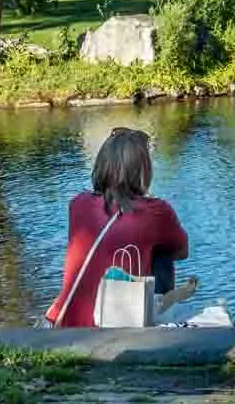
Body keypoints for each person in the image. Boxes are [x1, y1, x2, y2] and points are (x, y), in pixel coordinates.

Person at [45, 127, 189, 328]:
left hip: (70, 321)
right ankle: (158, 317)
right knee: (162, 254)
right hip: (117, 323)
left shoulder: (78, 204)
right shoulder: (156, 211)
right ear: (143, 170)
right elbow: (183, 252)